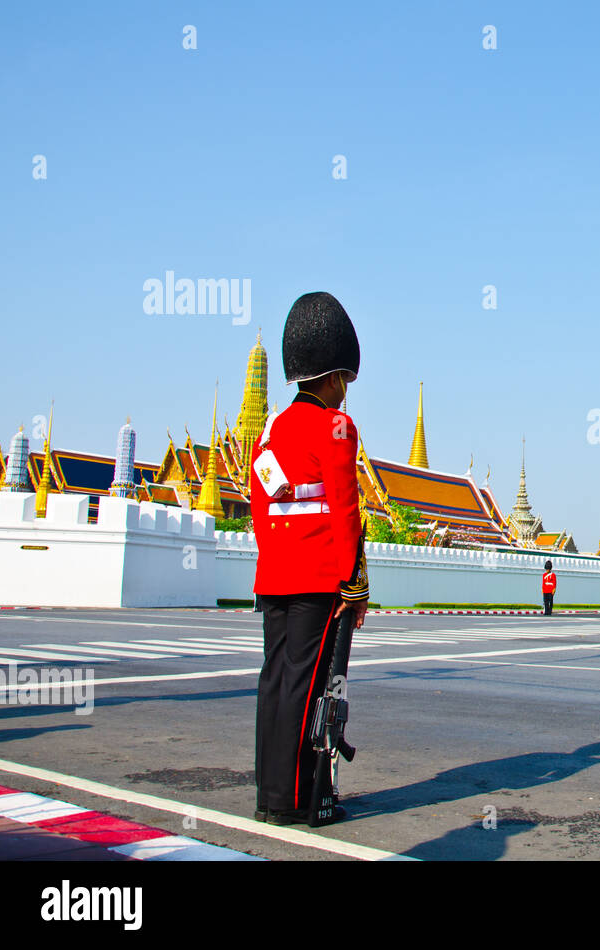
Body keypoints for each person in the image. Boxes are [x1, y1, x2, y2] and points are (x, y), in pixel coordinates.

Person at [251, 292, 369, 827]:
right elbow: (345, 508)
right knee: (308, 683)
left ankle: (273, 794)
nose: (346, 388)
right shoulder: (336, 429)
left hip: (274, 575)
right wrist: (354, 582)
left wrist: (276, 558)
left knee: (276, 680)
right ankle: (301, 799)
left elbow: (261, 508)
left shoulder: (269, 431)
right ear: (334, 376)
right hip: (320, 577)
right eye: (344, 377)